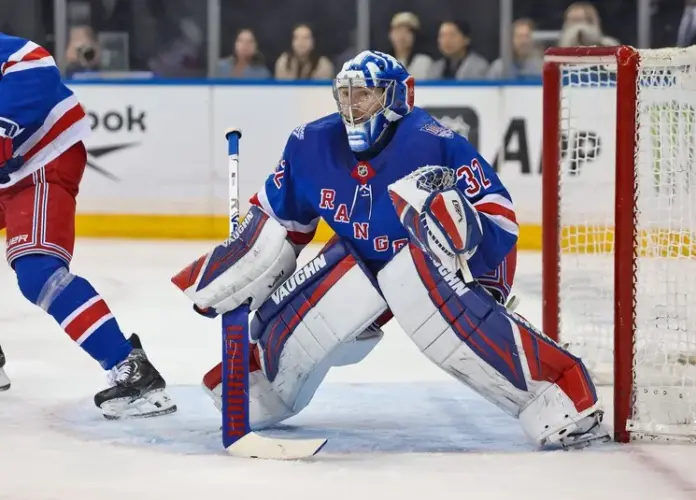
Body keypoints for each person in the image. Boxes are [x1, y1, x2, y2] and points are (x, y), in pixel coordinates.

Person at [172, 50, 607, 449]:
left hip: (440, 267)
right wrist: (243, 258)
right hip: (362, 262)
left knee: (409, 280)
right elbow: (278, 221)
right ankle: (262, 387)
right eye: (345, 95)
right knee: (337, 284)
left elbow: (500, 220)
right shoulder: (310, 145)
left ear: (397, 96)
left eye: (365, 95)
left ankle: (556, 390)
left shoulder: (434, 143)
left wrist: (461, 231)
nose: (352, 107)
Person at [0, 33, 175, 419]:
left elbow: (35, 62)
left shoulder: (11, 54)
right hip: (8, 172)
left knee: (39, 274)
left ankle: (132, 370)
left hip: (43, 159)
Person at [388, 12, 432, 80]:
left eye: (407, 32)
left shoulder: (423, 62)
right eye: (398, 31)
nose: (402, 37)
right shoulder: (383, 63)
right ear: (390, 35)